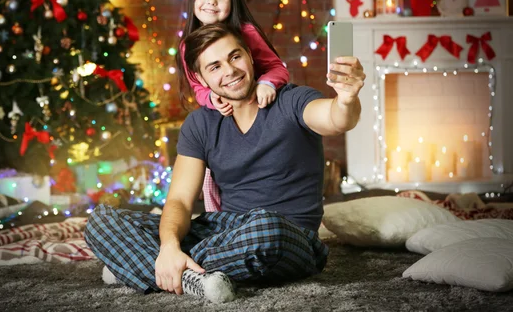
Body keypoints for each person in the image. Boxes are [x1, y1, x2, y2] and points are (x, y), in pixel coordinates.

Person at [85, 23, 366, 304]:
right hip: (226, 230)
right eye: (214, 66)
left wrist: (346, 99)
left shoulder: (293, 100)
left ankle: (148, 267)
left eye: (234, 57)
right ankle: (187, 272)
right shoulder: (200, 123)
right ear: (201, 78)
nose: (229, 71)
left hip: (287, 236)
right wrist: (169, 246)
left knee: (267, 228)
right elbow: (180, 202)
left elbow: (336, 119)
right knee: (101, 221)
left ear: (250, 55)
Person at [176, 0, 290, 211]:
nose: (211, 2)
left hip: (256, 114)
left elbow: (278, 68)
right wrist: (210, 99)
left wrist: (266, 83)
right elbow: (198, 88)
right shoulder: (188, 46)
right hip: (222, 120)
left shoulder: (246, 33)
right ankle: (221, 221)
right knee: (215, 182)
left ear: (233, 0)